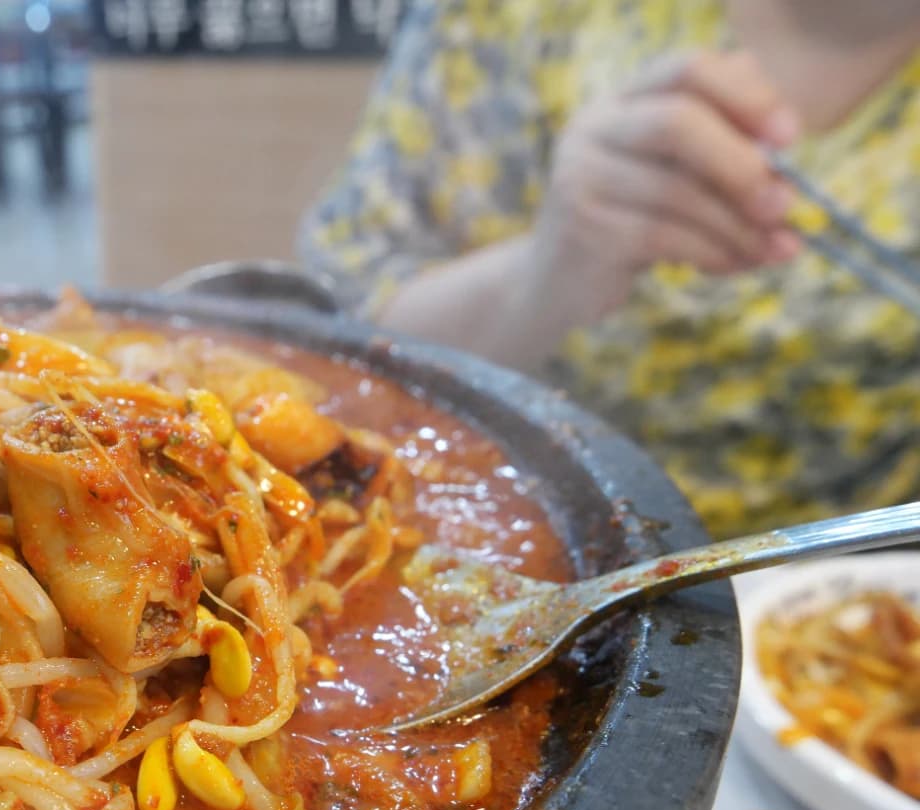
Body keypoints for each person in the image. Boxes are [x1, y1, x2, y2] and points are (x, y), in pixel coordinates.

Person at [302, 0, 920, 537]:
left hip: (851, 594)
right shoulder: (517, 19)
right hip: (488, 546)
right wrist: (551, 268)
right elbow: (326, 347)